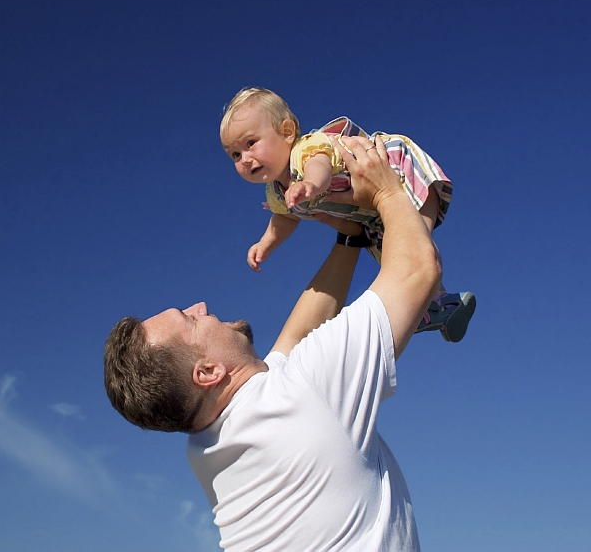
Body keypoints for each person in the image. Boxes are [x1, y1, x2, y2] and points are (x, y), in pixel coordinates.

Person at [104, 136, 442, 550]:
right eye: (189, 320)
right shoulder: (301, 398)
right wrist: (387, 190)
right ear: (208, 372)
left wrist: (351, 238)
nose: (201, 306)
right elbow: (418, 271)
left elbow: (295, 338)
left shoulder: (207, 445)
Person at [220, 87, 475, 342]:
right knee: (397, 257)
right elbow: (284, 218)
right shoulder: (276, 192)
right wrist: (266, 244)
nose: (244, 159)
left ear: (287, 132)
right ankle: (443, 305)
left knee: (413, 247)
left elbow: (319, 166)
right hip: (374, 214)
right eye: (235, 154)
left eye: (251, 143)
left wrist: (310, 183)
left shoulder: (305, 150)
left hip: (395, 172)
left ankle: (428, 297)